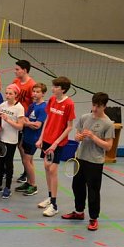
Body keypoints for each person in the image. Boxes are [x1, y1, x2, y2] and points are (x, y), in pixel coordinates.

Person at [61, 92, 114, 231]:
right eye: (94, 105)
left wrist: (93, 137)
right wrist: (78, 137)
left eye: (98, 106)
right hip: (80, 158)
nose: (95, 109)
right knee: (77, 187)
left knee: (93, 191)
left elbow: (108, 146)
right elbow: (77, 135)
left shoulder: (108, 124)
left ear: (104, 106)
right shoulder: (85, 117)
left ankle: (93, 218)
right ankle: (79, 212)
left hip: (95, 162)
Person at [37, 77, 76, 217]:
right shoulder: (52, 100)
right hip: (47, 139)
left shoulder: (69, 104)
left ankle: (54, 205)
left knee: (53, 169)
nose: (52, 89)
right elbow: (47, 119)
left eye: (55, 87)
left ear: (63, 89)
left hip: (58, 142)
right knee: (47, 167)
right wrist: (41, 138)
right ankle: (49, 197)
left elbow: (69, 127)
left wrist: (55, 143)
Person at [0, 85, 25, 198]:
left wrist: (8, 120)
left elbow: (20, 127)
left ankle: (7, 187)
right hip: (0, 138)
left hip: (11, 140)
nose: (8, 96)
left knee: (8, 164)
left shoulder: (19, 108)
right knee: (0, 162)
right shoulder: (2, 105)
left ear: (16, 95)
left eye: (10, 94)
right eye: (7, 93)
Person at [15, 83, 47, 196]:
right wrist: (28, 123)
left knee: (26, 161)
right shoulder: (32, 106)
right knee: (29, 161)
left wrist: (28, 123)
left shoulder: (43, 108)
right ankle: (28, 182)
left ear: (43, 93)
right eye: (34, 91)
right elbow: (25, 118)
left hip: (34, 138)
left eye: (38, 92)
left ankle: (33, 185)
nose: (35, 94)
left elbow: (37, 125)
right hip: (27, 136)